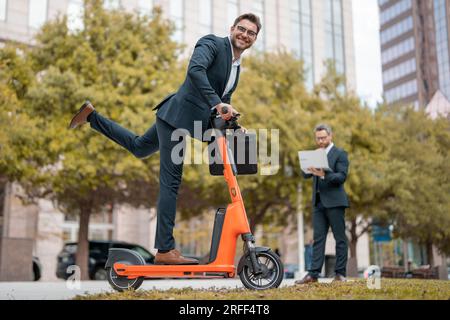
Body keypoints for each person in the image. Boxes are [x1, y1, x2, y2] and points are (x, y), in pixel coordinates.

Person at [68, 13, 262, 265]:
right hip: (177, 118)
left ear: (255, 39)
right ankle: (165, 250)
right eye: (242, 29)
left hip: (180, 119)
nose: (245, 35)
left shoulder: (236, 67)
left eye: (251, 33)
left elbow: (225, 98)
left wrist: (234, 123)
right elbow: (195, 71)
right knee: (171, 182)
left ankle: (92, 117)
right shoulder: (212, 43)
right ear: (232, 28)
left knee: (139, 147)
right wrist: (217, 104)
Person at [295, 124, 350, 284]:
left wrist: (324, 174)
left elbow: (341, 177)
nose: (320, 141)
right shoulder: (315, 154)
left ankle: (340, 274)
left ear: (330, 136)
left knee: (340, 238)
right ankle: (313, 274)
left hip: (335, 202)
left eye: (323, 137)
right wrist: (308, 167)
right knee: (318, 239)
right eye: (318, 138)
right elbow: (304, 175)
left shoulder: (340, 154)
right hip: (318, 203)